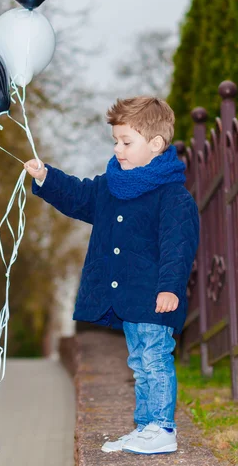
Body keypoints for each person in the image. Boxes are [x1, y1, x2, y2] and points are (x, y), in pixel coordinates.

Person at [23, 96, 200, 455]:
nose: (118, 149)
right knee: (138, 362)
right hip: (129, 299)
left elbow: (177, 246)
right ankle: (146, 426)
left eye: (126, 142)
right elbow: (78, 195)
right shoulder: (110, 187)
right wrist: (46, 176)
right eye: (116, 141)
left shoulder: (172, 196)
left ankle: (163, 427)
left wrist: (170, 288)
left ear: (156, 144)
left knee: (153, 358)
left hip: (153, 296)